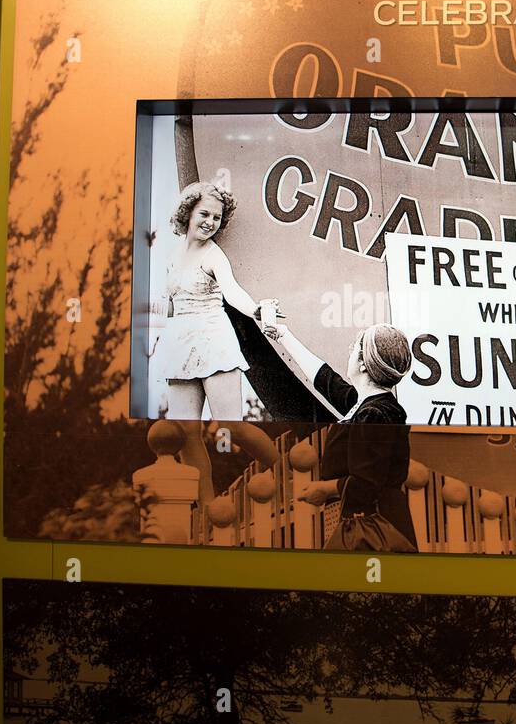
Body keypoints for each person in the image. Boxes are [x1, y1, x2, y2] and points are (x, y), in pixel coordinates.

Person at [267, 321, 418, 552]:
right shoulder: (365, 406)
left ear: (363, 364)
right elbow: (324, 379)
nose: (349, 351)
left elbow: (366, 483)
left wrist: (323, 489)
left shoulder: (375, 414)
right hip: (366, 525)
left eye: (353, 347)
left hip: (376, 531)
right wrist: (283, 335)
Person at [156, 182, 279, 421]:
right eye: (204, 214)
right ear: (188, 212)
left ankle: (278, 460)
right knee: (185, 433)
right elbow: (169, 307)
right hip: (181, 343)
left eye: (217, 217)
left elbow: (231, 291)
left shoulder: (213, 255)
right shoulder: (171, 255)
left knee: (232, 429)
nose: (210, 222)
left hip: (214, 342)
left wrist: (256, 310)